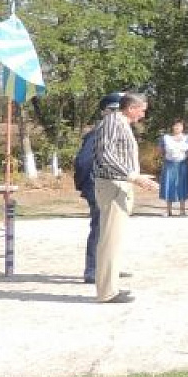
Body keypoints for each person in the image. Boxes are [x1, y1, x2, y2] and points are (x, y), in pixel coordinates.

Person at [92, 92, 158, 303]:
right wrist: (132, 176)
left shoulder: (121, 123)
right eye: (142, 110)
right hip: (112, 185)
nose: (143, 115)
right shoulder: (112, 121)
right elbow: (106, 155)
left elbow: (119, 155)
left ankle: (111, 287)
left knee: (115, 239)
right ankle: (107, 292)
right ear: (131, 108)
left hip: (120, 184)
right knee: (110, 239)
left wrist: (136, 175)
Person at [75, 92, 124, 284]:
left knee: (110, 229)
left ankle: (108, 267)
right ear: (106, 112)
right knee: (99, 228)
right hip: (98, 186)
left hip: (112, 186)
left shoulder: (114, 131)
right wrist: (88, 186)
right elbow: (83, 162)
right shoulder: (98, 133)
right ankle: (93, 270)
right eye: (114, 110)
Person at [157, 119, 188, 216]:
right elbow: (160, 151)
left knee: (183, 186)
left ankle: (182, 210)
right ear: (172, 127)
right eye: (175, 125)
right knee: (169, 186)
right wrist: (166, 159)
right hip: (169, 164)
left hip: (183, 165)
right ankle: (168, 210)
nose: (177, 127)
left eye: (180, 125)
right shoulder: (165, 138)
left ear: (183, 127)